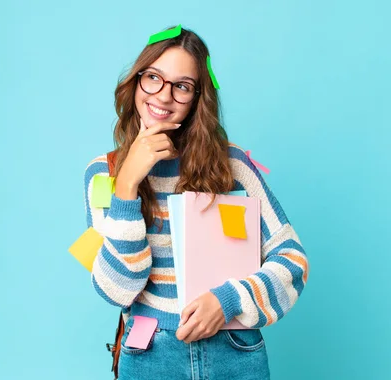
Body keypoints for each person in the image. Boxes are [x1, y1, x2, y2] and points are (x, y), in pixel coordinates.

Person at [84, 25, 309, 380]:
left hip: (234, 350)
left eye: (182, 86)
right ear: (137, 80)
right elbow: (116, 288)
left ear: (198, 98)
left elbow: (293, 259)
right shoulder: (102, 175)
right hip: (148, 355)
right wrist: (127, 185)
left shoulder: (232, 165)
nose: (163, 96)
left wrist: (228, 301)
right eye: (153, 78)